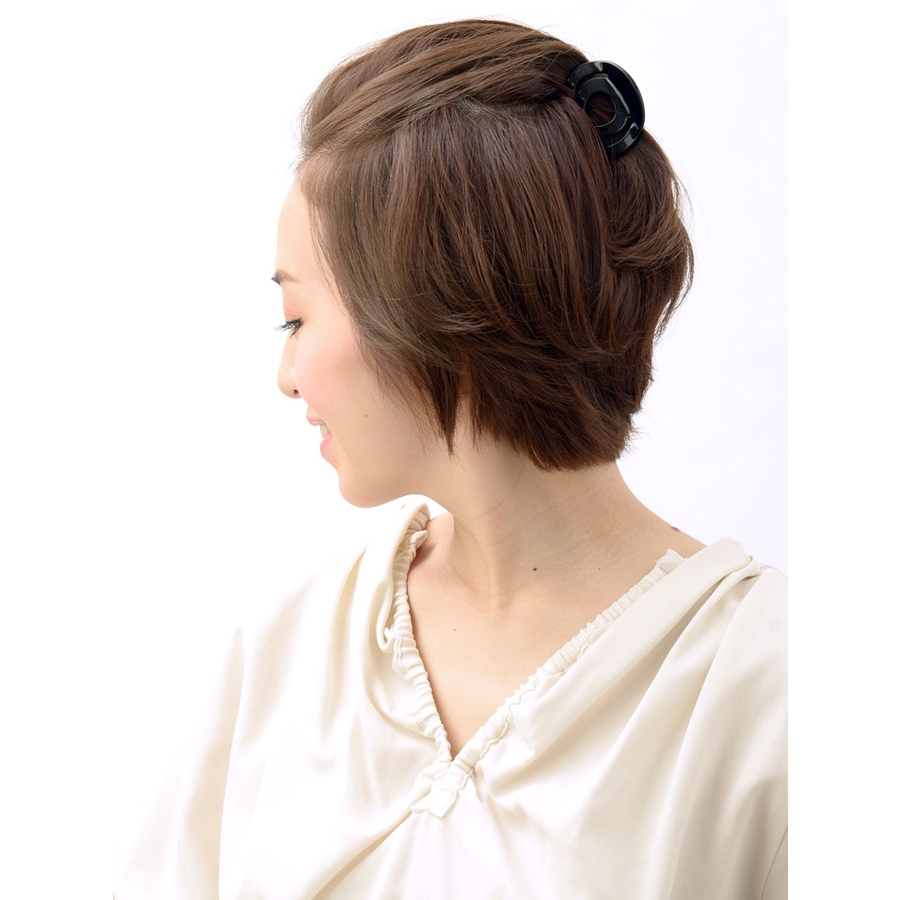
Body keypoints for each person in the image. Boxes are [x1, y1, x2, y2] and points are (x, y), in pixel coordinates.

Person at [115, 19, 786, 900]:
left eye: (297, 318)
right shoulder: (288, 648)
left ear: (436, 313)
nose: (286, 375)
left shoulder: (769, 686)